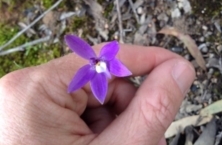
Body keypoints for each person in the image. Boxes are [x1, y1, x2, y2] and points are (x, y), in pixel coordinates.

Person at [0, 44, 195, 145]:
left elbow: (116, 58)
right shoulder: (87, 74)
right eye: (94, 63)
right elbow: (78, 84)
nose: (96, 64)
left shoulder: (110, 61)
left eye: (97, 63)